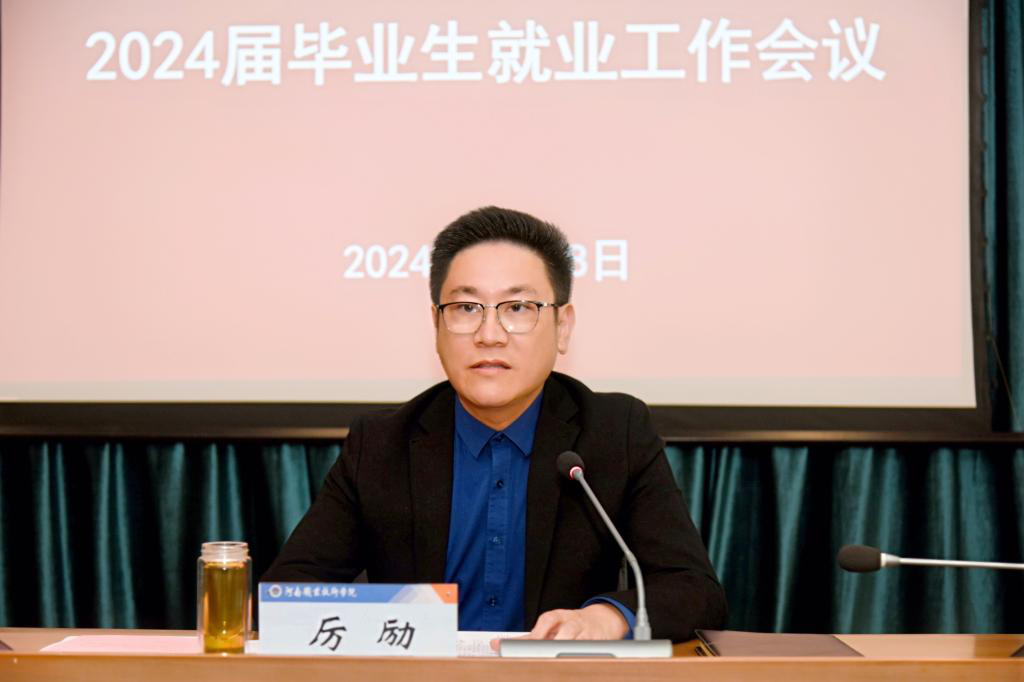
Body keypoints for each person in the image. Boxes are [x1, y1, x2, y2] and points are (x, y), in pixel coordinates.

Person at [263, 206, 727, 642]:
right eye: (466, 308)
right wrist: (404, 626)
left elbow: (694, 589)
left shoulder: (613, 432)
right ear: (436, 326)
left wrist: (604, 619)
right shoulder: (383, 443)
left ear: (563, 327)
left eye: (518, 308)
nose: (489, 335)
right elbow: (288, 593)